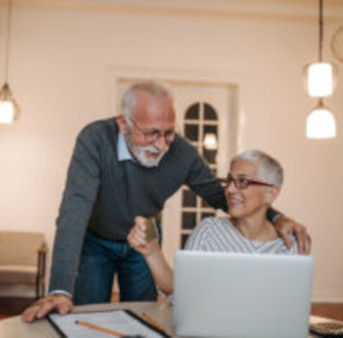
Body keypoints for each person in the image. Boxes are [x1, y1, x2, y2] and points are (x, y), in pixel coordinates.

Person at [22, 82, 310, 322]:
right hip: (95, 240)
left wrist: (275, 216)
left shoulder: (182, 154)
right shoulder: (95, 140)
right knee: (86, 317)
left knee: (143, 318)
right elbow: (74, 210)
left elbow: (223, 196)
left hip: (144, 243)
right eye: (151, 133)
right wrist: (60, 288)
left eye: (169, 132)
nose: (161, 144)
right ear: (124, 123)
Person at [127, 149, 297, 295]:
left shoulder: (289, 245)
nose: (229, 189)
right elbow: (180, 291)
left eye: (242, 182)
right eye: (229, 180)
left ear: (270, 193)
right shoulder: (208, 230)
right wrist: (152, 252)